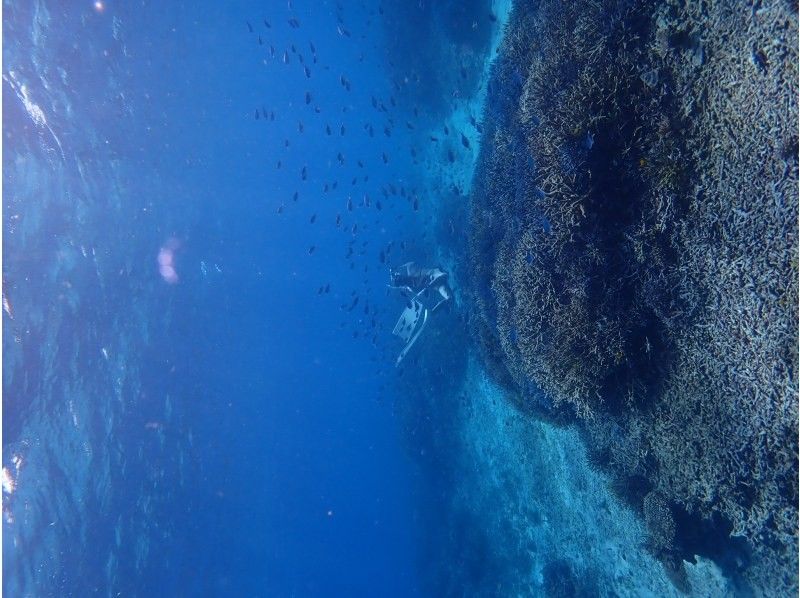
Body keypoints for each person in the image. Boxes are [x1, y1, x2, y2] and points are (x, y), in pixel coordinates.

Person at [388, 262, 452, 365]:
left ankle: (433, 312)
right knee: (448, 298)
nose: (402, 281)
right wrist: (396, 271)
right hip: (436, 285)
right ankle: (433, 312)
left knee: (448, 296)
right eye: (400, 281)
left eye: (400, 279)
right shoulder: (409, 284)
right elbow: (409, 266)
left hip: (436, 280)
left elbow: (410, 264)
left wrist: (396, 268)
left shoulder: (411, 270)